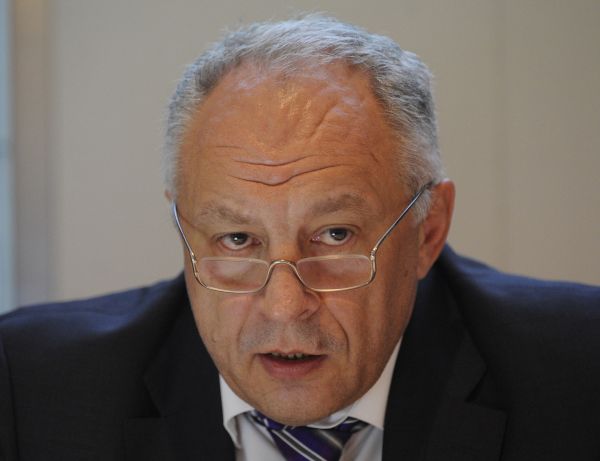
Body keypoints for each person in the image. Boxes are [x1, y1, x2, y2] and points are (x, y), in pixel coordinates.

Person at [1, 15, 599, 461]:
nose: (285, 306)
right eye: (237, 239)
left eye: (335, 235)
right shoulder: (33, 390)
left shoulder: (580, 374)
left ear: (429, 231)